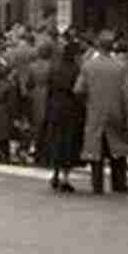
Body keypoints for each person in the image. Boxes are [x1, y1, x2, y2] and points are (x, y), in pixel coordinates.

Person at [74, 30, 128, 195]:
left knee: (97, 151)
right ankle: (119, 183)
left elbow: (78, 89)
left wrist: (87, 102)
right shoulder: (120, 67)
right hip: (116, 111)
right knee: (118, 150)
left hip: (95, 111)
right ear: (112, 47)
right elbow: (126, 94)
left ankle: (97, 184)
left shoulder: (88, 66)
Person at [45, 38, 84, 193]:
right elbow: (78, 91)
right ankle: (65, 178)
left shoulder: (54, 68)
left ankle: (54, 173)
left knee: (56, 140)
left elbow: (49, 88)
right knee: (68, 142)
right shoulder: (76, 70)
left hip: (55, 106)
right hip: (70, 108)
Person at [25, 42, 55, 166]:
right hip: (48, 95)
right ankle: (46, 154)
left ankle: (36, 151)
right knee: (47, 127)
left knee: (36, 125)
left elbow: (28, 83)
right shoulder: (52, 66)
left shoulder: (32, 66)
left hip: (35, 96)